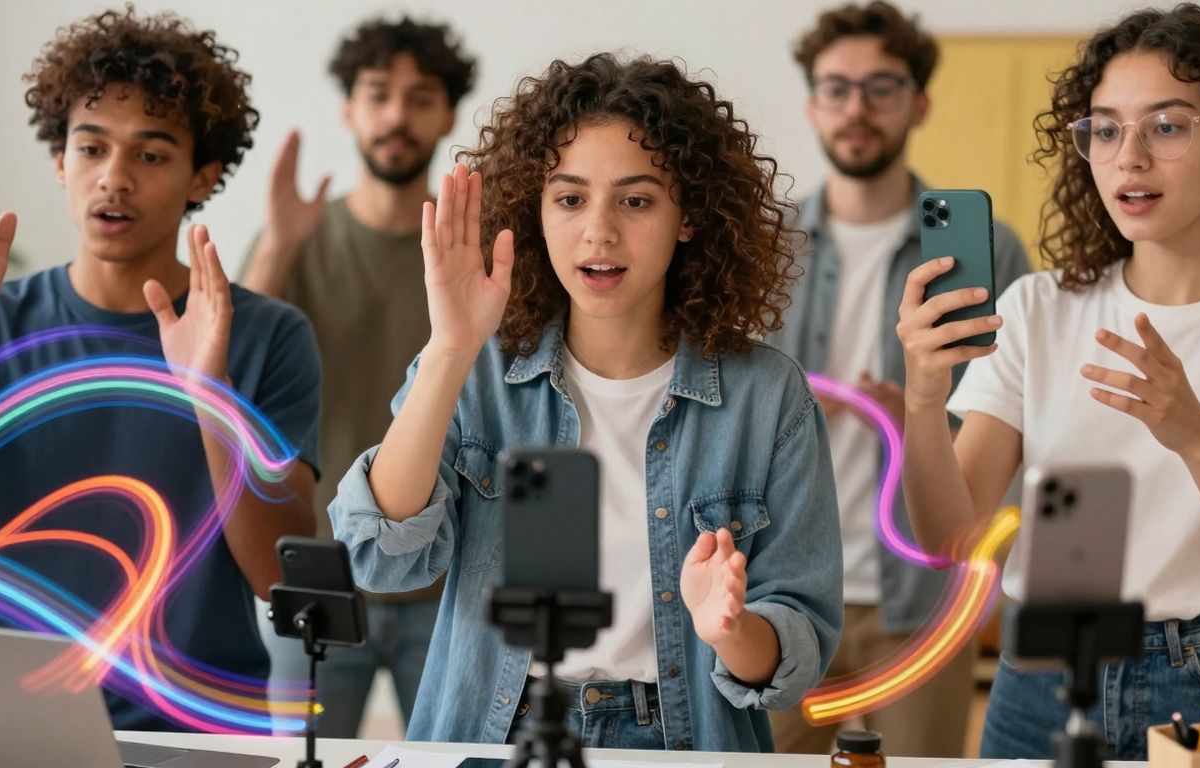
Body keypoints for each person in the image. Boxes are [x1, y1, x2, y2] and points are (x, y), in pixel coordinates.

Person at [330, 52, 843, 752]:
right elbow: (379, 558)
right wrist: (450, 347)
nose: (599, 231)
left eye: (636, 201)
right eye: (570, 199)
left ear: (688, 216)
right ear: (534, 213)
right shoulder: (474, 367)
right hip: (495, 730)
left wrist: (729, 629)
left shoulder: (767, 395)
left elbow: (798, 645)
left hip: (681, 738)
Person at [0, 6, 321, 731]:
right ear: (61, 162)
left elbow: (282, 579)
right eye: (91, 149)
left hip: (201, 731)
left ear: (201, 176)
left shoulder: (267, 335)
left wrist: (210, 396)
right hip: (7, 722)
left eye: (151, 155)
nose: (113, 178)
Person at [896, 4, 1200, 759]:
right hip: (1040, 677)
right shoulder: (1039, 308)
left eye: (1168, 125)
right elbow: (950, 539)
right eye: (1106, 128)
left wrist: (1194, 433)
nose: (1129, 157)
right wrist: (924, 402)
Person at [766, 1, 1032, 756]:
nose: (857, 108)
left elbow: (1015, 419)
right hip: (779, 592)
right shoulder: (763, 249)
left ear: (919, 102)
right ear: (814, 102)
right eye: (836, 88)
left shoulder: (990, 253)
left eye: (881, 87)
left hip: (920, 602)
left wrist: (920, 412)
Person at [240, 16, 476, 737]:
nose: (397, 116)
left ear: (449, 114)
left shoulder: (466, 254)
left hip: (450, 577)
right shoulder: (298, 239)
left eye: (420, 97)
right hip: (317, 569)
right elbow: (228, 383)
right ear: (350, 109)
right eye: (379, 94)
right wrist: (278, 247)